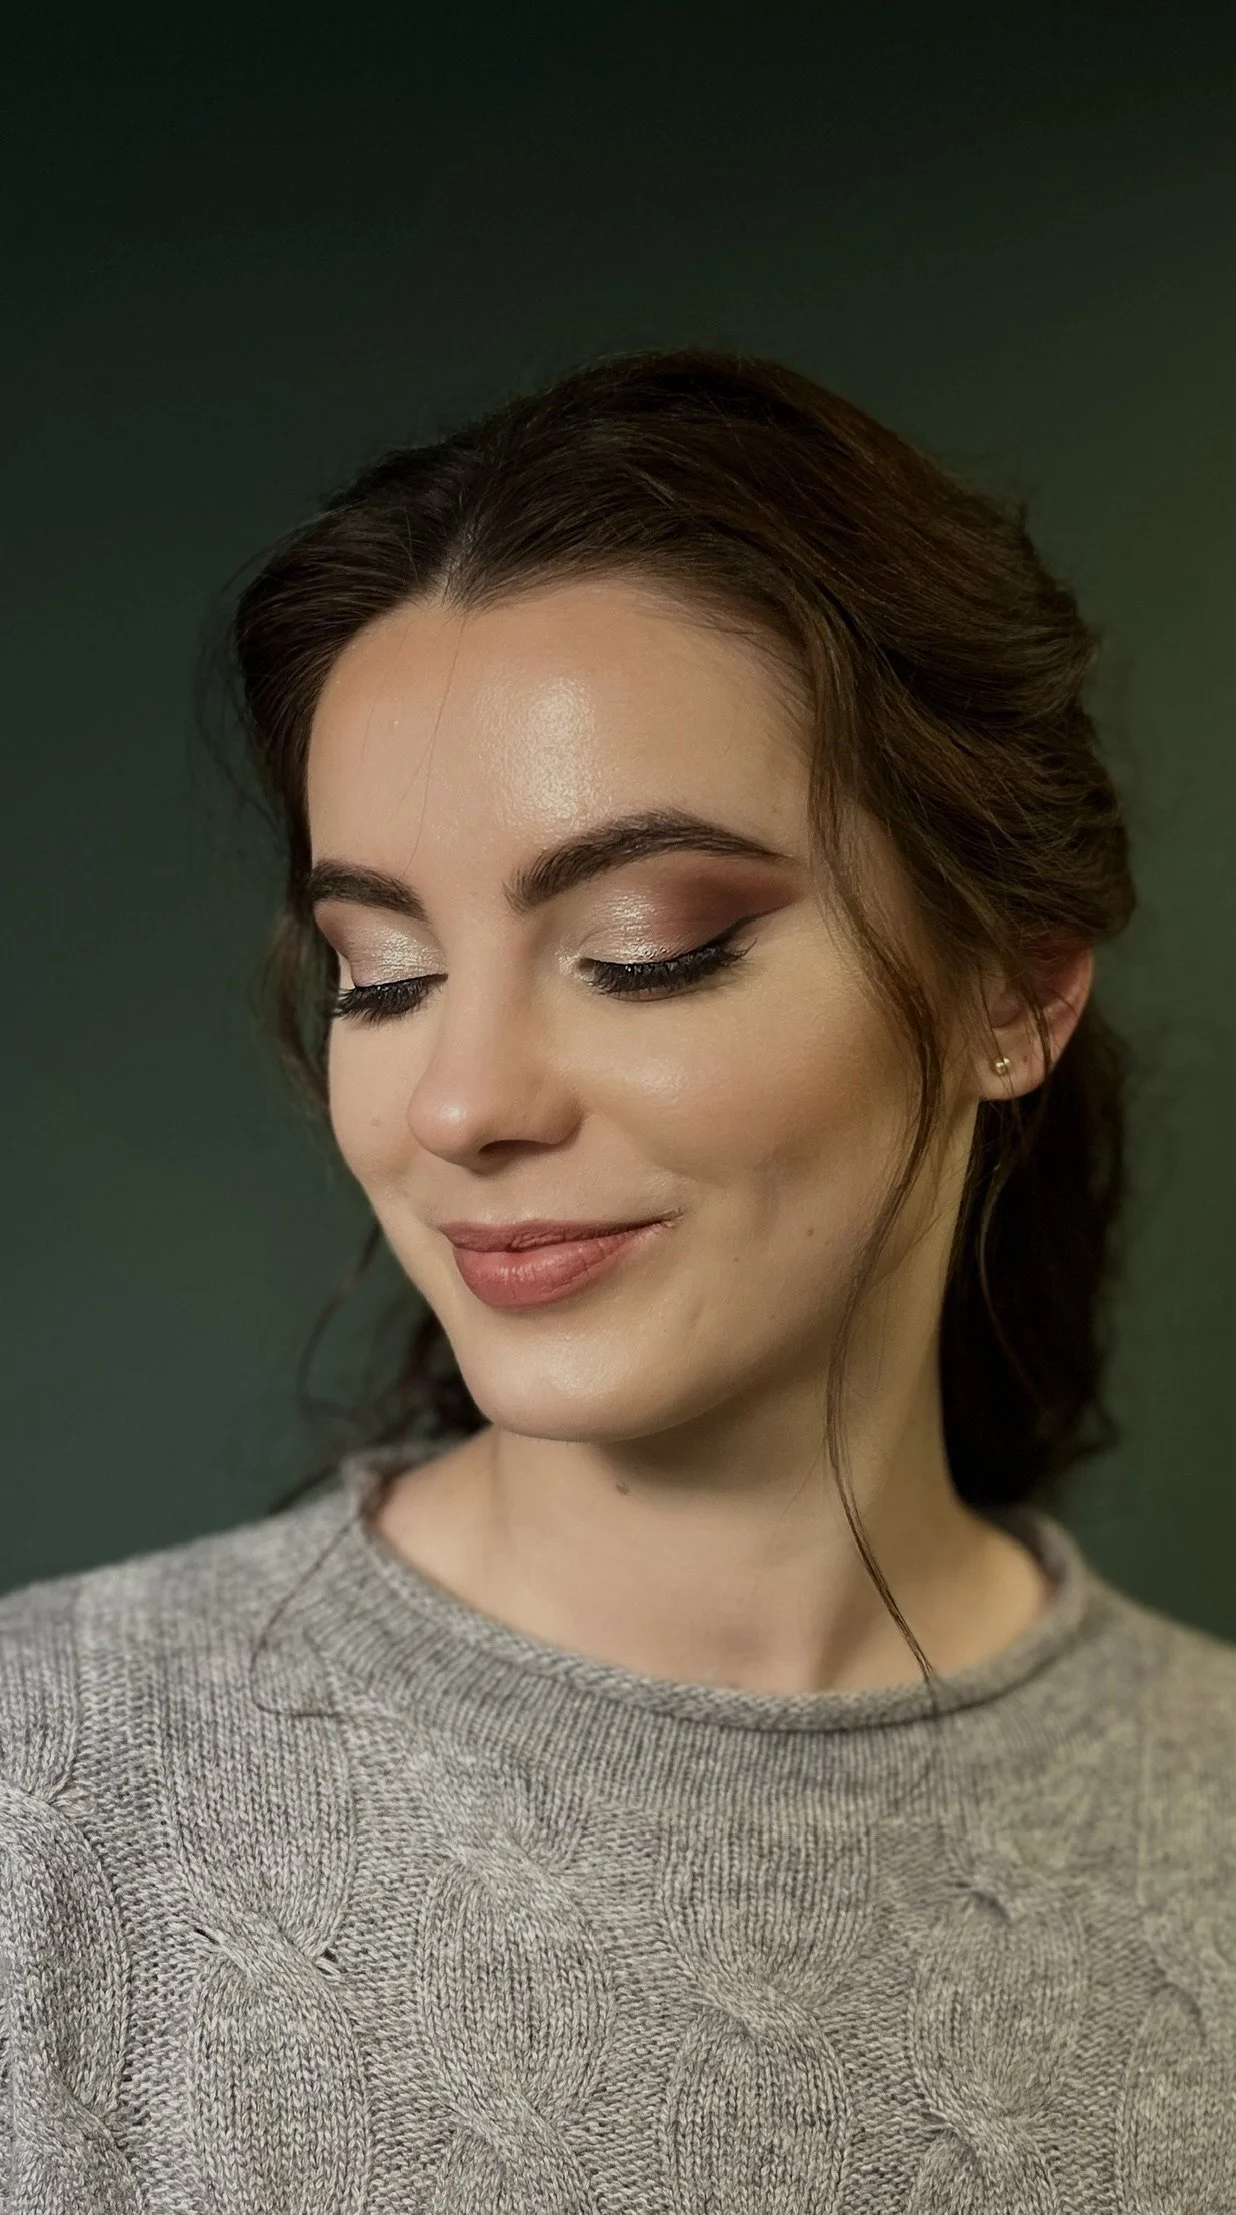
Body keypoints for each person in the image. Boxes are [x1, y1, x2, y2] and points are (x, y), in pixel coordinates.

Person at [2, 348, 1233, 2209]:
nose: (466, 1101)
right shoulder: (47, 1794)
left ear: (1015, 991)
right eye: (383, 972)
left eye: (646, 949)